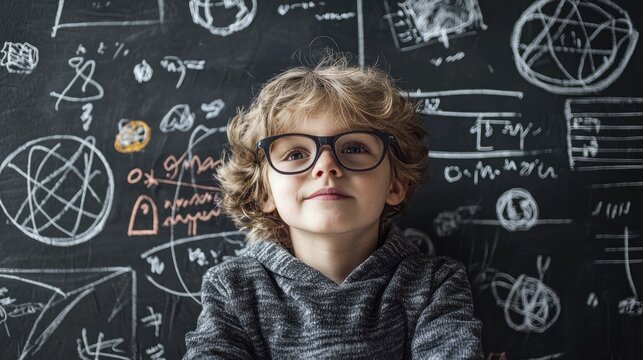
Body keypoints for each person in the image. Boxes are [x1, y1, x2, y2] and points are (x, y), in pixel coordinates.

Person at [184, 52, 483, 359]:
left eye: (354, 148)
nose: (326, 166)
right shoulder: (233, 289)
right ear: (265, 193)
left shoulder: (434, 284)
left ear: (395, 185)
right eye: (296, 154)